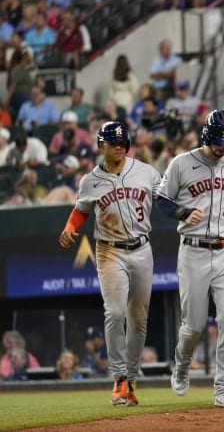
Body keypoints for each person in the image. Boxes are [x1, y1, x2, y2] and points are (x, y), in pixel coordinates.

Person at [156, 110, 224, 408]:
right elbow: (161, 199)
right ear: (205, 136)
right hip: (193, 250)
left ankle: (223, 389)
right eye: (217, 141)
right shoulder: (181, 163)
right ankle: (182, 362)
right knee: (194, 325)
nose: (222, 147)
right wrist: (183, 212)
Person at [59, 122, 161, 406]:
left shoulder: (146, 172)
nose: (119, 146)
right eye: (113, 142)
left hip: (142, 248)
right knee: (115, 313)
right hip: (109, 250)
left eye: (122, 142)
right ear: (101, 144)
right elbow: (81, 211)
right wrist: (70, 227)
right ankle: (118, 378)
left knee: (138, 320)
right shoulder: (90, 181)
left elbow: (166, 199)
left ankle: (129, 379)